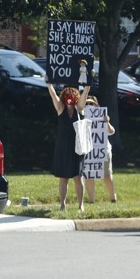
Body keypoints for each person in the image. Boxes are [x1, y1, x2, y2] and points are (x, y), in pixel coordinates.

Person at [46, 75, 91, 212]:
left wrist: (87, 84)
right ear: (64, 95)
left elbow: (85, 94)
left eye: (72, 93)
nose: (69, 96)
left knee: (78, 177)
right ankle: (62, 204)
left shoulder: (79, 109)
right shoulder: (61, 108)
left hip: (77, 147)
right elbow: (53, 96)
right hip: (63, 147)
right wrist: (49, 84)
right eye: (67, 93)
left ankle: (80, 204)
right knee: (63, 177)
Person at [83, 96, 118, 204]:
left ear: (96, 105)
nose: (89, 106)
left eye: (91, 104)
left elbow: (111, 131)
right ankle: (91, 201)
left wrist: (106, 122)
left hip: (103, 150)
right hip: (88, 151)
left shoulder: (102, 117)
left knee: (107, 175)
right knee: (89, 175)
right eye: (87, 104)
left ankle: (113, 199)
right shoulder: (82, 117)